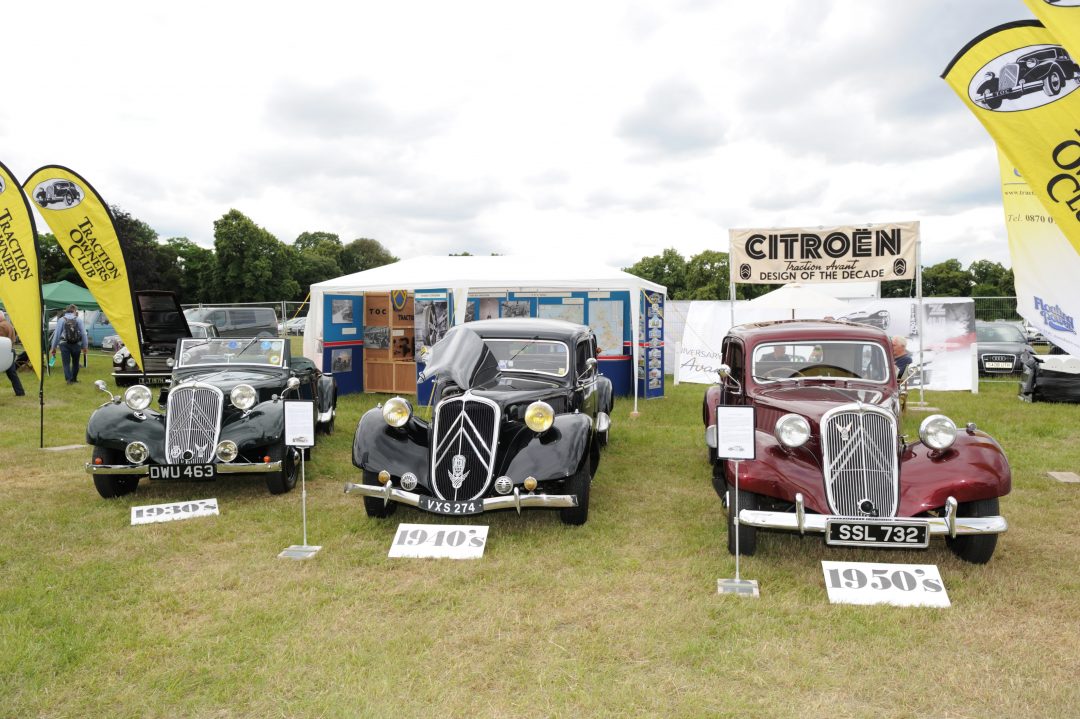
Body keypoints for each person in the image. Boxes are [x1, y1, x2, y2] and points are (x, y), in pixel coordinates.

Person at [50, 304, 88, 384]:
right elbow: (84, 334)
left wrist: (53, 347)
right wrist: (85, 346)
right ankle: (74, 379)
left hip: (64, 344)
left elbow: (57, 334)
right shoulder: (78, 320)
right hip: (76, 344)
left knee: (66, 363)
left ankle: (69, 380)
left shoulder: (61, 320)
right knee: (75, 363)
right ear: (74, 310)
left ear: (66, 311)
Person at [0, 310, 26, 396]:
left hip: (3, 352)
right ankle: (20, 392)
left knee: (12, 374)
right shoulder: (8, 324)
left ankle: (20, 392)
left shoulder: (1, 326)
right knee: (12, 374)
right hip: (10, 351)